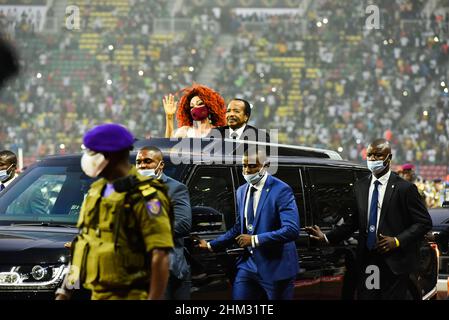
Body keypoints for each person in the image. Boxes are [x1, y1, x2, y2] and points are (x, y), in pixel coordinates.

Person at [55, 123, 174, 300]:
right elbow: (82, 247)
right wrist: (65, 292)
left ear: (111, 155)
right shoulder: (96, 191)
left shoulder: (146, 195)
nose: (87, 158)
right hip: (97, 294)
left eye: (92, 152)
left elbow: (160, 256)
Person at [306, 138, 432, 300]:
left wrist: (397, 240)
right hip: (368, 260)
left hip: (395, 262)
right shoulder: (361, 186)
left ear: (389, 158)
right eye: (370, 155)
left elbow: (423, 222)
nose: (372, 159)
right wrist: (327, 237)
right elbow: (353, 222)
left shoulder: (404, 188)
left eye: (378, 155)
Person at [197, 148, 300, 300]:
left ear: (266, 165)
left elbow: (291, 230)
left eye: (252, 166)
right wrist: (212, 245)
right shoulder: (241, 191)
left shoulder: (281, 190)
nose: (246, 170)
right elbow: (240, 226)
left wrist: (254, 240)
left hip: (276, 267)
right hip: (248, 264)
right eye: (244, 165)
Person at [136, 146, 192, 300]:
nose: (142, 166)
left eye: (148, 161)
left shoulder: (176, 189)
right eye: (138, 162)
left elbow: (183, 223)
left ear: (161, 165)